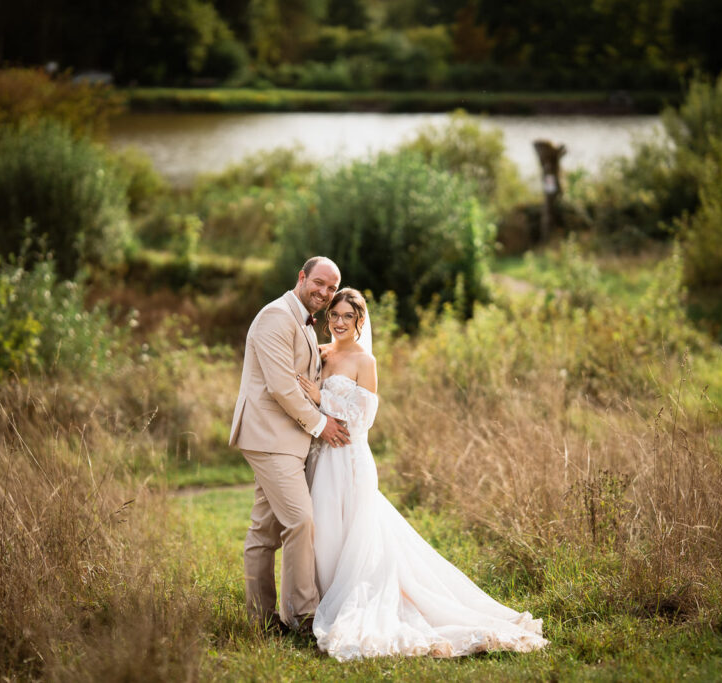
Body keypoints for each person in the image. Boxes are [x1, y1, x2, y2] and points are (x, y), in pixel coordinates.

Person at [296, 288, 549, 661]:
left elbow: (364, 418)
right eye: (334, 315)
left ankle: (354, 602)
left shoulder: (366, 361)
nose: (338, 322)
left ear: (360, 321)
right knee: (326, 531)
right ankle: (318, 598)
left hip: (349, 458)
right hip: (321, 458)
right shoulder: (321, 353)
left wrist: (322, 399)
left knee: (356, 534)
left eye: (347, 316)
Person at [229, 256, 351, 634]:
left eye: (331, 288)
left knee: (263, 533)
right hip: (269, 437)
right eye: (319, 283)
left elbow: (305, 377)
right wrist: (321, 425)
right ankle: (302, 617)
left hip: (285, 438)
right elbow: (282, 387)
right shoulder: (275, 317)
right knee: (300, 521)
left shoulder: (303, 321)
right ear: (302, 277)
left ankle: (261, 620)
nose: (324, 293)